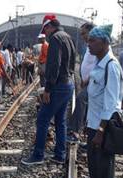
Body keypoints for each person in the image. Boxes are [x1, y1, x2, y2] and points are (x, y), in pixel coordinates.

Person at [22, 14, 75, 165]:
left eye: (45, 30)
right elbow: (71, 63)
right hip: (68, 84)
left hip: (58, 86)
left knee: (42, 119)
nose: (45, 33)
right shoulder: (68, 37)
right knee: (60, 121)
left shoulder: (55, 39)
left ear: (50, 26)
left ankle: (38, 155)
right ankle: (60, 154)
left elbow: (54, 65)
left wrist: (48, 89)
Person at [85, 24, 123, 178]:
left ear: (105, 42)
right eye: (89, 40)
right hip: (93, 124)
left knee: (103, 167)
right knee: (95, 165)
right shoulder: (99, 64)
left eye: (93, 40)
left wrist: (100, 132)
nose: (88, 44)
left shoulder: (111, 66)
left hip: (103, 127)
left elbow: (111, 104)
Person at [67, 22, 97, 144]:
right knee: (89, 109)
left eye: (84, 33)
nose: (82, 36)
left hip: (94, 83)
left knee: (81, 100)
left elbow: (100, 65)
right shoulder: (89, 46)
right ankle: (89, 139)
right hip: (89, 82)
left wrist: (88, 79)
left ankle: (74, 131)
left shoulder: (98, 45)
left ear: (91, 32)